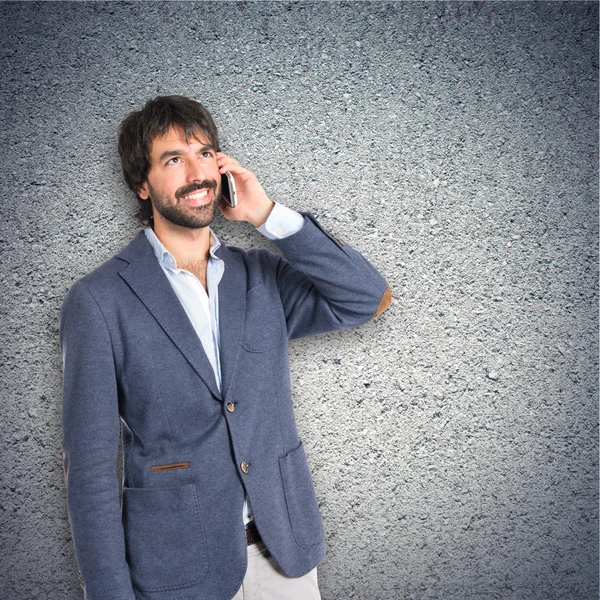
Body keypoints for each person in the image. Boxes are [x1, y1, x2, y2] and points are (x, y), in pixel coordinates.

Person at [59, 95, 392, 600]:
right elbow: (89, 470)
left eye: (205, 153)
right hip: (177, 569)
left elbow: (367, 298)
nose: (197, 172)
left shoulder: (261, 278)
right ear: (140, 183)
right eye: (174, 159)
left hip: (284, 555)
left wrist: (267, 215)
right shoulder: (98, 301)